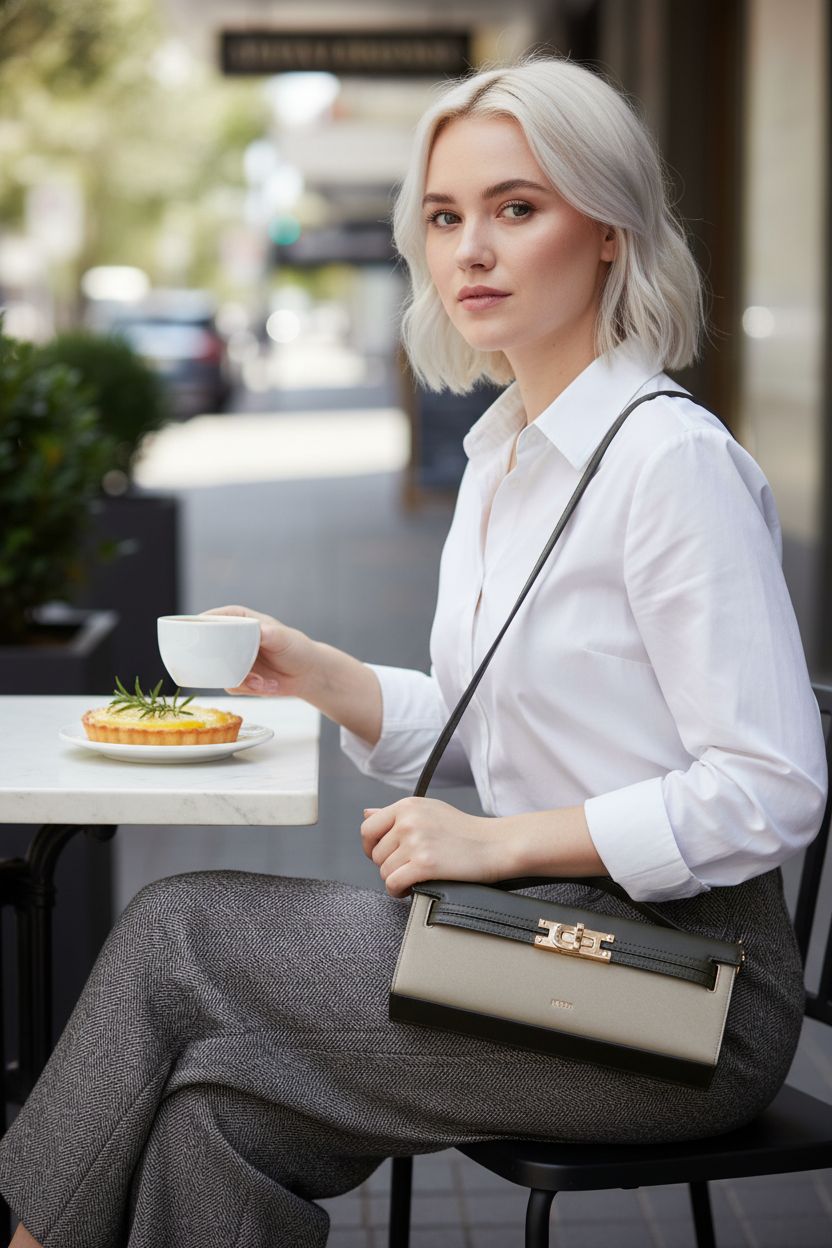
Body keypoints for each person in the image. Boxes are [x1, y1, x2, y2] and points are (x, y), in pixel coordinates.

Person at [0, 51, 826, 1248]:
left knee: (182, 931)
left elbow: (770, 788)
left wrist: (498, 842)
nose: (469, 251)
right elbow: (506, 726)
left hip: (679, 998)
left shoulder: (668, 463)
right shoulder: (504, 460)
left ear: (608, 233)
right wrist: (319, 674)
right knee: (214, 1111)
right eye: (444, 217)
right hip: (538, 942)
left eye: (517, 208)